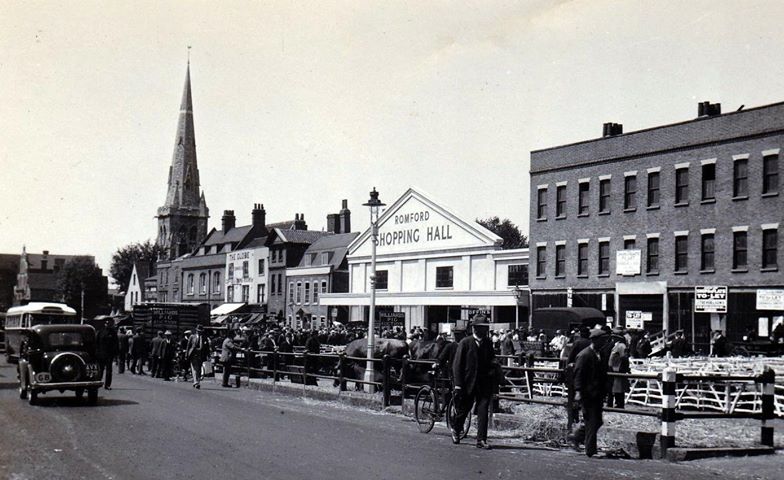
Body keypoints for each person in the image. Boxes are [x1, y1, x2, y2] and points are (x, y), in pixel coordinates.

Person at [451, 317, 497, 449]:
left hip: (483, 383)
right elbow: (457, 365)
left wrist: (493, 367)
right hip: (467, 383)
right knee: (463, 409)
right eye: (481, 327)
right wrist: (458, 384)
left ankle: (481, 439)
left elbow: (492, 359)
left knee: (483, 410)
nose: (484, 330)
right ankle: (456, 428)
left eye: (485, 327)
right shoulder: (465, 343)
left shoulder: (488, 343)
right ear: (474, 328)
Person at [573, 328, 611, 457]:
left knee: (596, 421)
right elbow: (578, 374)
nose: (605, 342)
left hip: (597, 393)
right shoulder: (585, 355)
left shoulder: (599, 353)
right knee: (592, 421)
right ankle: (590, 450)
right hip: (588, 393)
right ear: (595, 340)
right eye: (602, 340)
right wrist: (578, 391)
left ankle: (576, 436)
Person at [95, 322, 118, 390]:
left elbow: (115, 343)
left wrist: (115, 354)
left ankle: (107, 385)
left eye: (109, 323)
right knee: (100, 370)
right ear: (104, 324)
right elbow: (96, 343)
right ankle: (98, 383)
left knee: (109, 371)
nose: (107, 324)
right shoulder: (100, 332)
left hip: (109, 355)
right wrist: (97, 353)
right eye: (106, 323)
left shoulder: (113, 333)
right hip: (101, 354)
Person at [608, 341, 629, 409]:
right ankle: (618, 403)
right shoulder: (619, 346)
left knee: (619, 388)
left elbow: (623, 356)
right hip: (616, 368)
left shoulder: (620, 346)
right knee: (617, 387)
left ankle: (620, 403)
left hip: (618, 368)